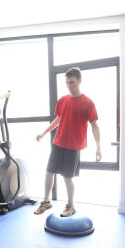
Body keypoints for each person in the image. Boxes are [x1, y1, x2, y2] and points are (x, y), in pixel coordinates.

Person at [34, 67, 101, 217]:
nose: (70, 85)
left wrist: (98, 147)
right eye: (67, 83)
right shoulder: (63, 100)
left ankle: (70, 206)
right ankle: (46, 202)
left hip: (74, 146)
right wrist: (44, 133)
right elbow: (58, 119)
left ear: (79, 81)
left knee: (67, 177)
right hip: (58, 142)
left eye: (72, 82)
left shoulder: (88, 103)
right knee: (49, 172)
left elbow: (94, 126)